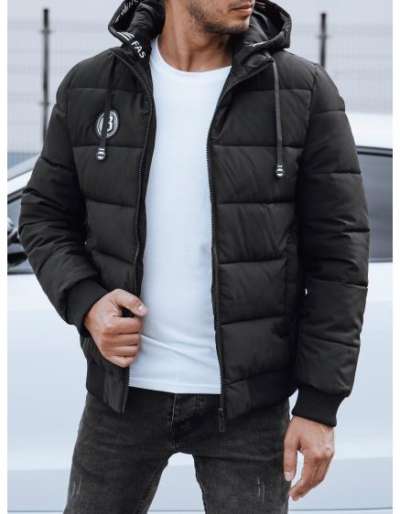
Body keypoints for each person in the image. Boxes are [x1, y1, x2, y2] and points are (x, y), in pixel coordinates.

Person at [18, 0, 370, 512]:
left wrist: (319, 405)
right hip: (121, 397)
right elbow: (43, 215)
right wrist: (88, 302)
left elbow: (339, 254)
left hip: (249, 407)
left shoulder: (302, 90)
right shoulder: (91, 86)